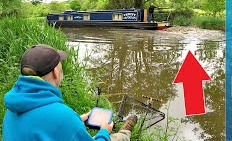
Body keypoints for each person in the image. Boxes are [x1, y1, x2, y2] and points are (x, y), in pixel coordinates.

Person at [2, 44, 137, 141]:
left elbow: (44, 126)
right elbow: (56, 121)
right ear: (55, 72)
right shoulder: (61, 115)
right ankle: (125, 132)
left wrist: (77, 120)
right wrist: (103, 132)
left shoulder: (14, 107)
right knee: (117, 138)